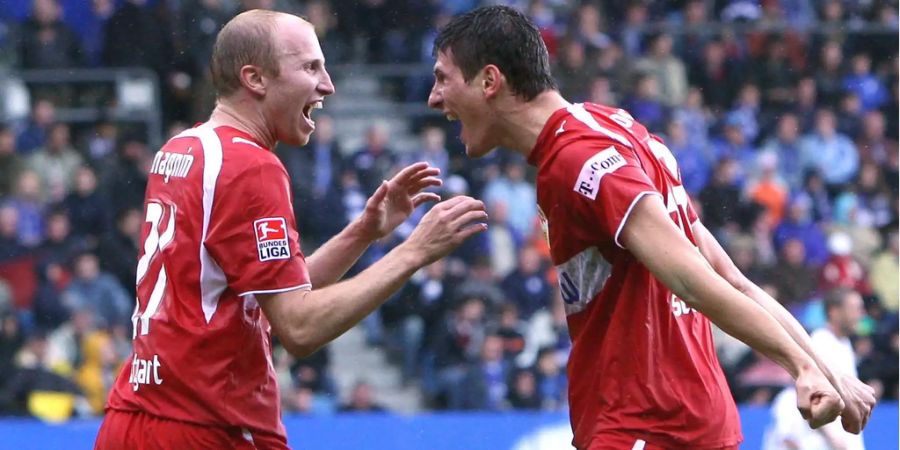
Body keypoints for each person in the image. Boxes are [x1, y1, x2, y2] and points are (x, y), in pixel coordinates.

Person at [427, 6, 875, 450]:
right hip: (687, 420)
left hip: (646, 426)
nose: (434, 97)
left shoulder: (579, 162)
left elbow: (694, 280)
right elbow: (729, 276)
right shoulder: (618, 128)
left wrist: (805, 367)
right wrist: (825, 372)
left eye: (444, 78)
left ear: (490, 81)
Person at [94, 9, 487, 450]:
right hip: (207, 425)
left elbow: (264, 294)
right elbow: (298, 327)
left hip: (134, 416)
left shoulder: (181, 148)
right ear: (255, 79)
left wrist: (363, 232)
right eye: (310, 67)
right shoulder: (252, 166)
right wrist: (414, 252)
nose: (327, 84)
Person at [764, 288, 867, 450]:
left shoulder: (844, 344)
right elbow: (809, 395)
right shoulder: (820, 343)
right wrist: (833, 438)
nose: (860, 314)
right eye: (854, 309)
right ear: (834, 312)